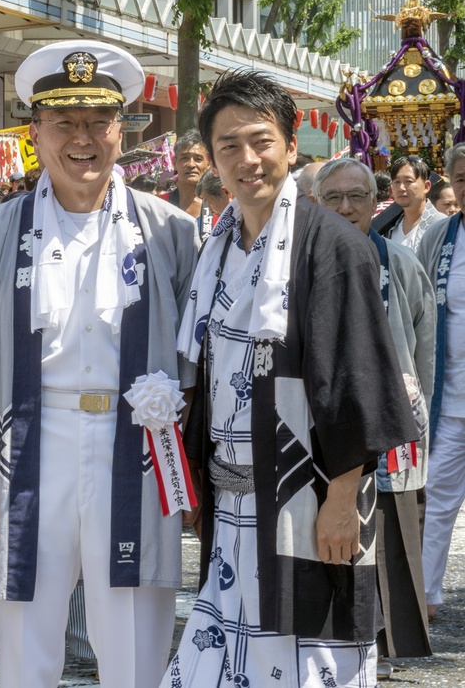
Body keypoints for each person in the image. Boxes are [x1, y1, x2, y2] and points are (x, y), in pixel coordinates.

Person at [0, 41, 200, 687]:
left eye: (99, 121)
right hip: (26, 444)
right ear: (35, 132)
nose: (83, 139)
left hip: (136, 447)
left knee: (135, 646)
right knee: (25, 644)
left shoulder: (170, 231)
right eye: (64, 122)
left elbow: (199, 363)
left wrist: (187, 477)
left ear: (122, 130)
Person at [162, 69, 417, 688]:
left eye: (261, 141)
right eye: (229, 146)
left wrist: (341, 502)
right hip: (233, 498)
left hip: (310, 491)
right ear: (212, 159)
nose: (247, 160)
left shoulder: (332, 244)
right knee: (224, 659)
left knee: (311, 659)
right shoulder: (219, 247)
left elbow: (356, 375)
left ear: (291, 146)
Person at [313, 159, 435, 666]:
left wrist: (416, 415)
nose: (346, 208)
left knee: (390, 533)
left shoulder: (400, 263)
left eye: (357, 197)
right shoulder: (303, 260)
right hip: (324, 429)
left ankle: (384, 649)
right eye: (333, 198)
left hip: (392, 422)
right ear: (316, 204)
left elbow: (425, 349)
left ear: (374, 202)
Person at [416, 142, 465, 624]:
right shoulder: (440, 237)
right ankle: (425, 593)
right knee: (436, 499)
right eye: (463, 179)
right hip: (449, 398)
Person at [373, 156, 443, 251]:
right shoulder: (389, 228)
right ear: (391, 189)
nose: (401, 188)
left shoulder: (441, 225)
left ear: (426, 186)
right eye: (397, 182)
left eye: (408, 181)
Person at [164, 129, 211, 234]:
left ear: (208, 164)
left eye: (198, 159)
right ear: (174, 163)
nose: (191, 165)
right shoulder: (159, 203)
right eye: (185, 158)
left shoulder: (221, 205)